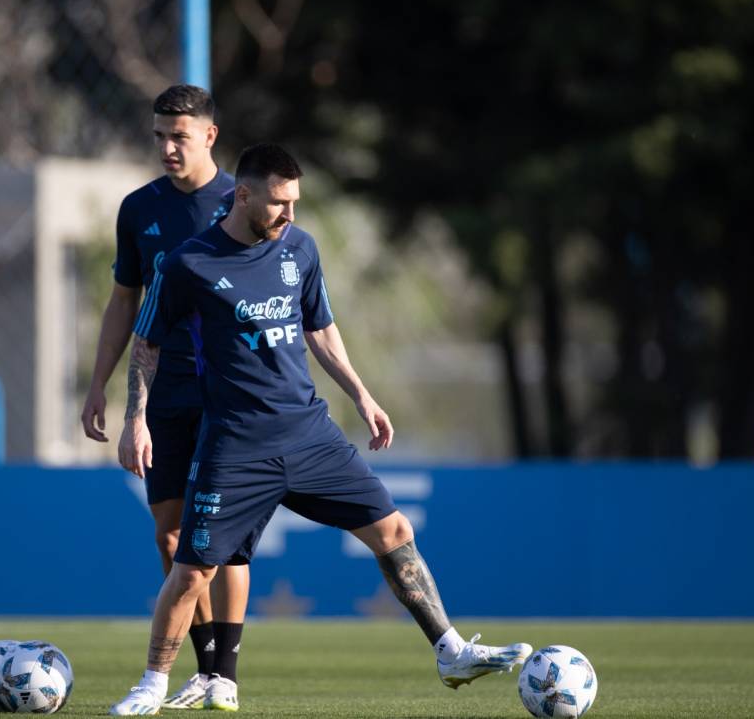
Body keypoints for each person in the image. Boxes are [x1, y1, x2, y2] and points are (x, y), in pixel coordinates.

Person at [109, 144, 531, 716]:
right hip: (235, 445)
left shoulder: (299, 250)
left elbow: (321, 327)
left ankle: (450, 651)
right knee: (192, 571)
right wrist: (136, 418)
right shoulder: (187, 264)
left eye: (296, 203)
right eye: (279, 203)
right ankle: (153, 685)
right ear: (244, 195)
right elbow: (148, 341)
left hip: (311, 435)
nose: (290, 215)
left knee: (394, 530)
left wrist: (361, 393)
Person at [82, 84, 250, 711]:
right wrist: (102, 385)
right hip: (164, 389)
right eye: (158, 135)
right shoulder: (139, 209)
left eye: (178, 135)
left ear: (209, 135)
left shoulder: (244, 200)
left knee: (222, 539)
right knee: (172, 540)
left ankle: (223, 673)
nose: (166, 147)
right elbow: (125, 299)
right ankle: (204, 670)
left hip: (229, 391)